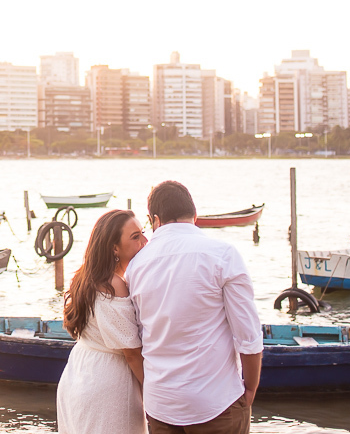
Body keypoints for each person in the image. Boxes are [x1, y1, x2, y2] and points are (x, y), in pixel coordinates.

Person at [125, 181, 263, 434]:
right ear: (195, 215)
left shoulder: (136, 266)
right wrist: (250, 388)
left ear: (154, 219)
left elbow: (139, 335)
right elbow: (248, 336)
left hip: (161, 404)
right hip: (216, 402)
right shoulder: (223, 255)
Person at [56, 209, 147, 434]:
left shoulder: (84, 276)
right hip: (108, 383)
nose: (145, 241)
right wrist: (154, 393)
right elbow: (132, 352)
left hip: (78, 373)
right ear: (114, 247)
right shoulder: (114, 285)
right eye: (135, 237)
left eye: (143, 233)